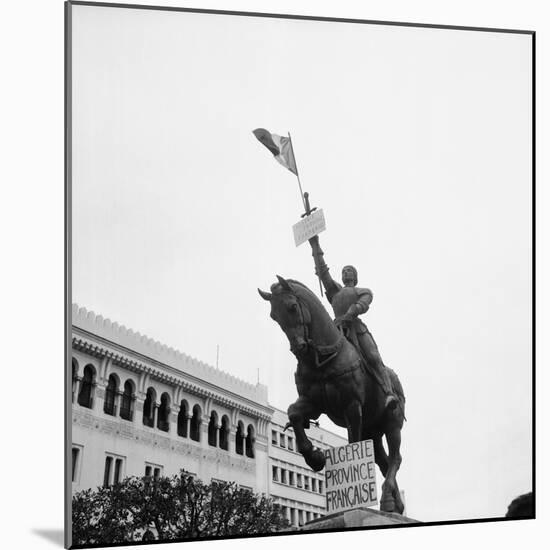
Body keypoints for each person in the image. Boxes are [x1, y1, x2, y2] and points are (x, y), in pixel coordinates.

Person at [308, 235, 398, 410]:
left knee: (373, 356)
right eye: (343, 271)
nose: (345, 272)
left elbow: (363, 303)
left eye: (349, 270)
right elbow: (322, 271)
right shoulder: (335, 291)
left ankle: (389, 393)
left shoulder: (362, 291)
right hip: (337, 329)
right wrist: (315, 245)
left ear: (355, 276)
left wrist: (352, 311)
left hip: (356, 329)